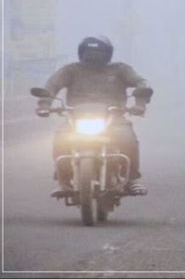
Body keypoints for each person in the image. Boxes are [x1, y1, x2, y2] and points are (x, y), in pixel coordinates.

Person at [36, 36, 153, 196]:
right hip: (76, 118)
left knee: (128, 139)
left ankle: (132, 179)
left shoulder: (120, 69)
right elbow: (51, 85)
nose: (93, 55)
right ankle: (64, 179)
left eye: (98, 52)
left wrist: (140, 103)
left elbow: (142, 83)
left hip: (114, 117)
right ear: (81, 52)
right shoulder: (71, 70)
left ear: (108, 54)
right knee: (61, 140)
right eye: (89, 51)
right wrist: (44, 105)